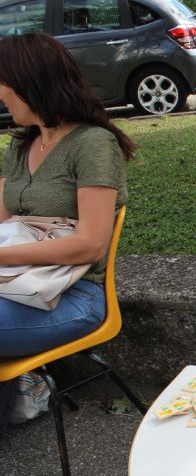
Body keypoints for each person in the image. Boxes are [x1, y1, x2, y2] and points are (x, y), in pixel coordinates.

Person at [0, 33, 133, 358]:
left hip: (74, 293)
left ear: (28, 83)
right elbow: (4, 223)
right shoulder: (20, 145)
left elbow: (90, 245)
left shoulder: (93, 144)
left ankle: (24, 391)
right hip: (15, 284)